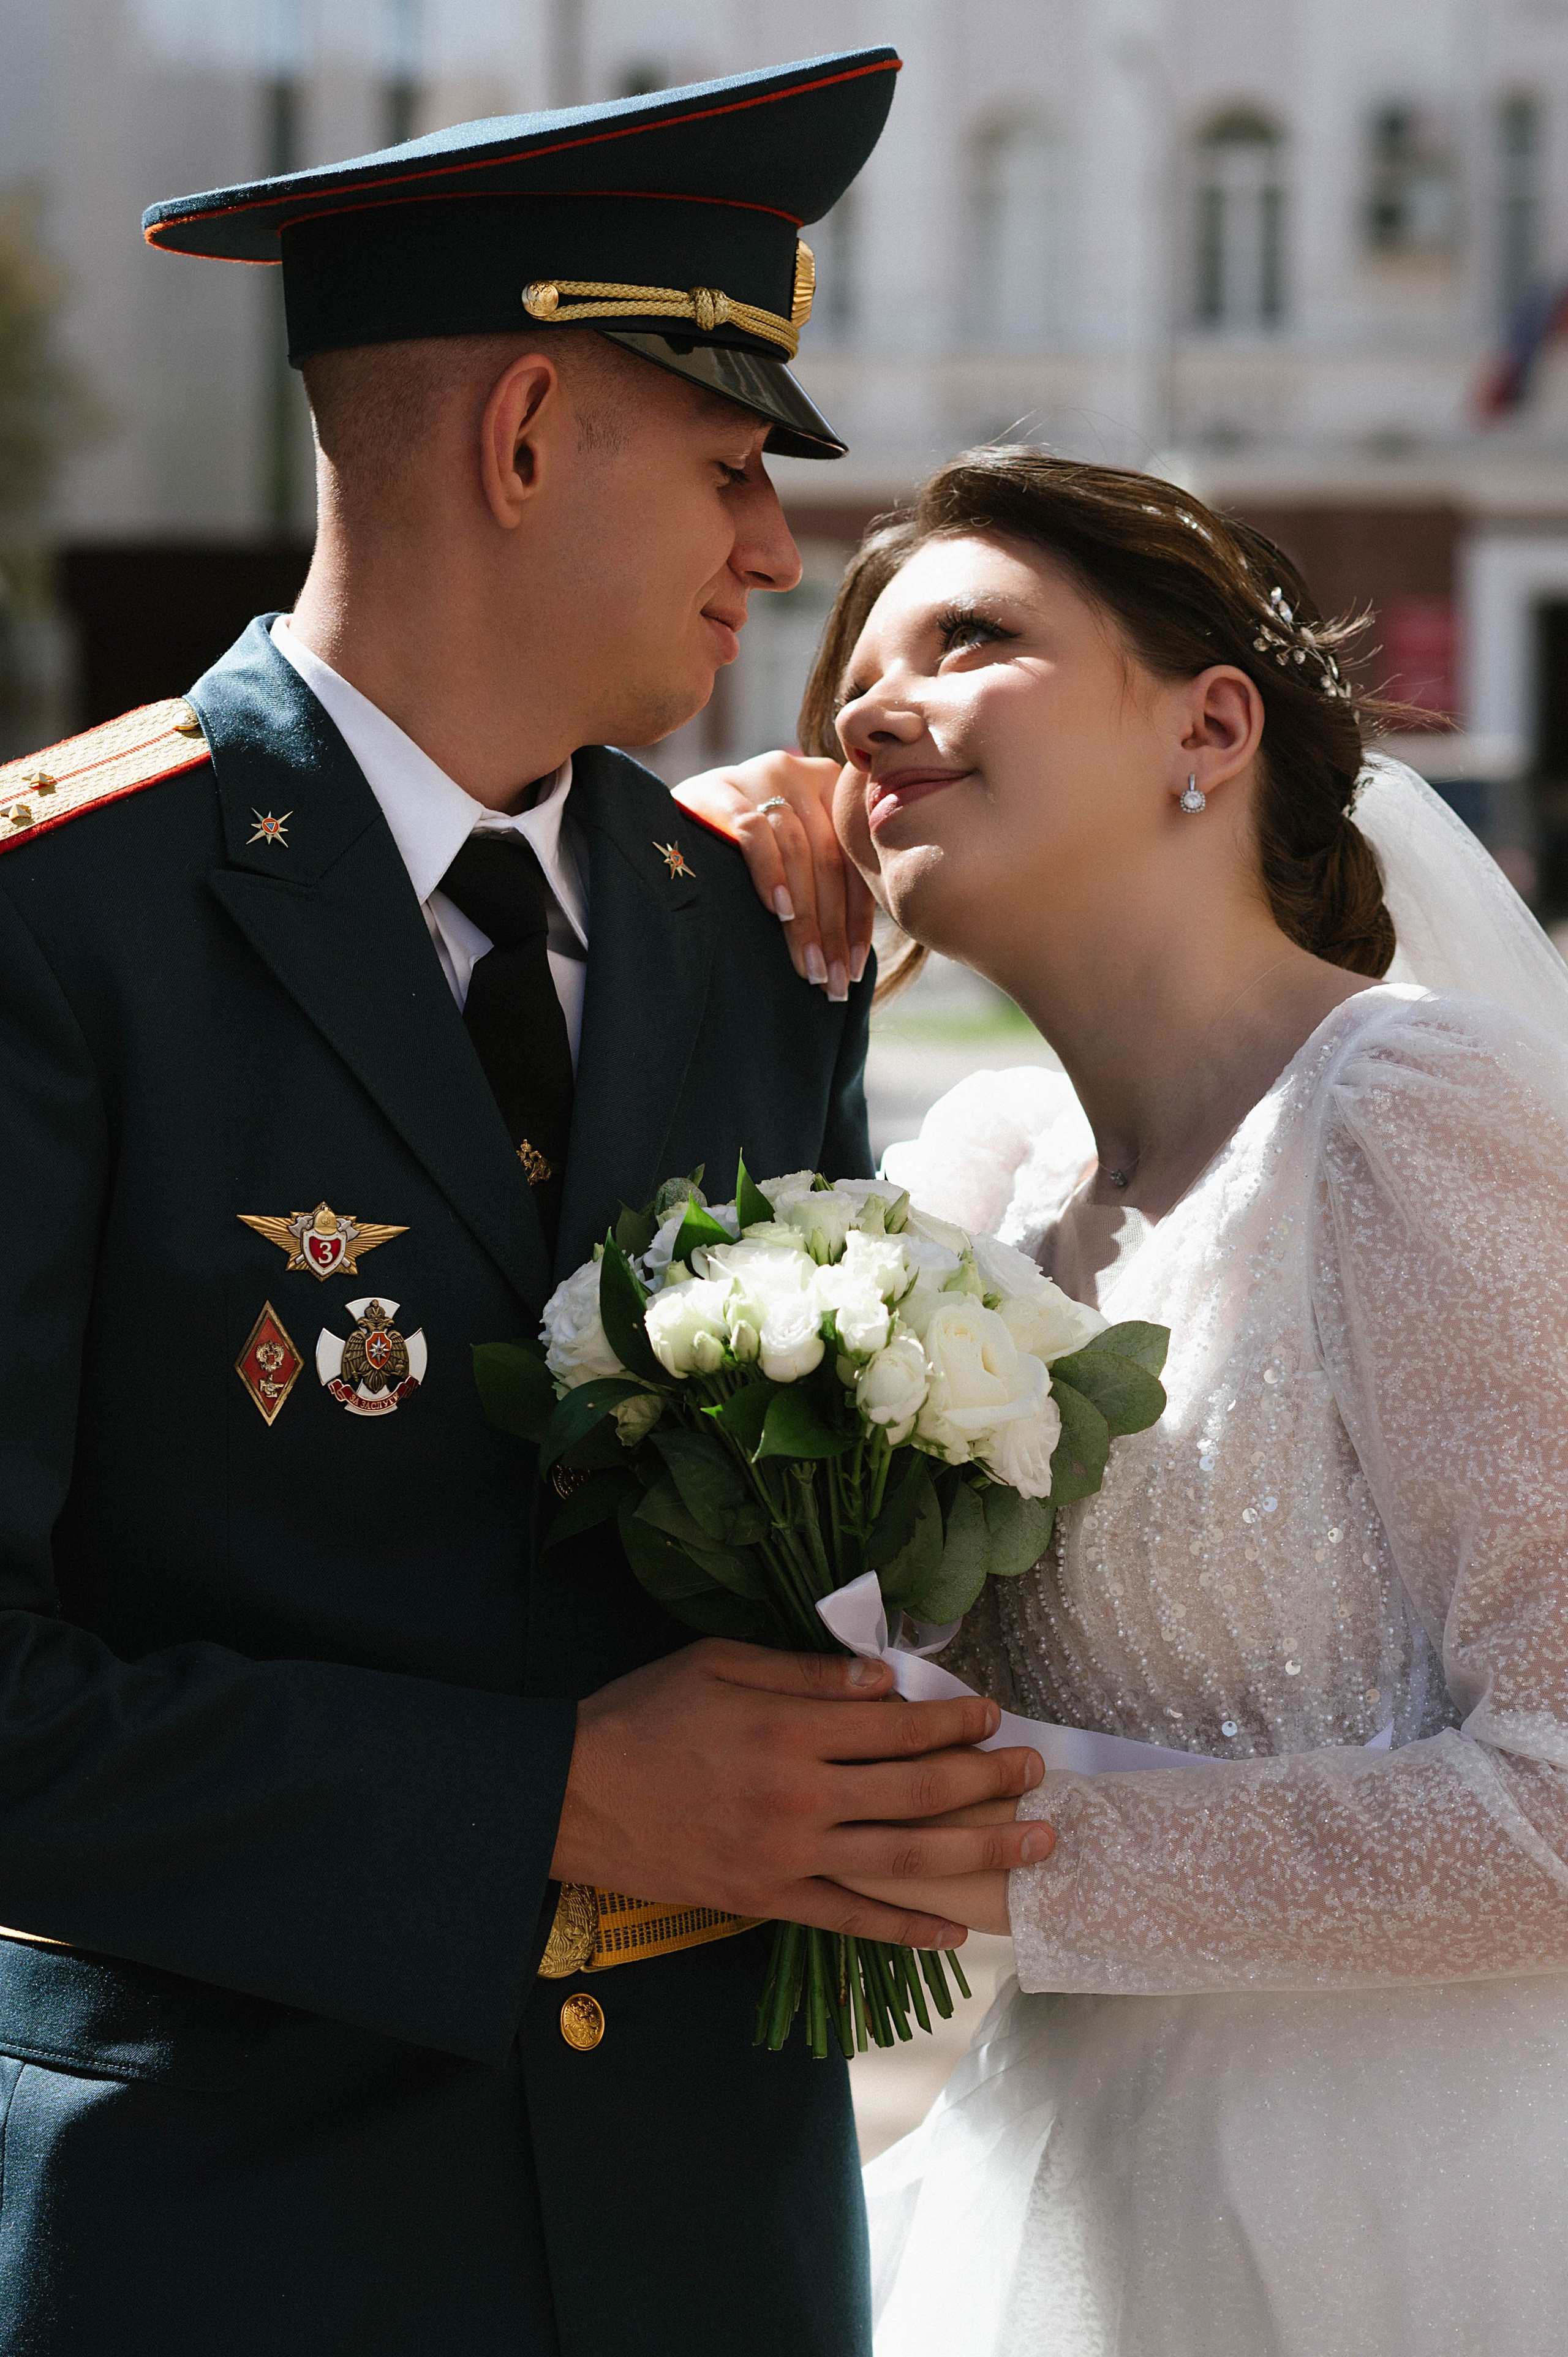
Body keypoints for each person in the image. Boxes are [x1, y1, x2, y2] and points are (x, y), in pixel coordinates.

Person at [0, 60, 1052, 2356]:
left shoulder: (751, 932)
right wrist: (552, 1802)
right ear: (526, 432)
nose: (776, 550)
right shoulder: (59, 923)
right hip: (235, 2245)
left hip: (718, 2242)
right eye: (734, 465)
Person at [679, 445, 1568, 2356]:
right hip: (1078, 2201)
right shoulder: (986, 1191)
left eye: (969, 641)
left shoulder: (1412, 1118)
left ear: (1211, 728)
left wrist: (1016, 1864)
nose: (870, 714)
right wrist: (687, 927)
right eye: (854, 687)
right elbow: (855, 1670)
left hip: (1413, 2213)